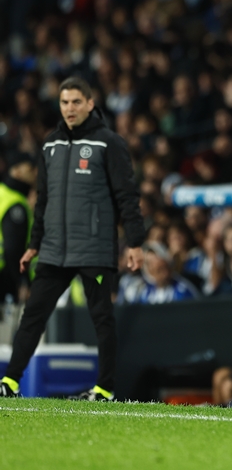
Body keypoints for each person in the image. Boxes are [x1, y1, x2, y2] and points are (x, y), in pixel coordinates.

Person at [0, 77, 145, 401]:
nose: (69, 108)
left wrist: (135, 243)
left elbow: (127, 196)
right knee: (33, 316)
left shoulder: (109, 143)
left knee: (101, 319)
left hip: (93, 246)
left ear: (90, 104)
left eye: (76, 102)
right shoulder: (50, 145)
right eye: (64, 102)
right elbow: (43, 201)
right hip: (53, 250)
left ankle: (105, 388)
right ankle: (9, 382)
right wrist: (34, 244)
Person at [0, 153, 37, 304]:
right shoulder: (16, 204)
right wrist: (22, 280)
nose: (35, 172)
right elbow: (13, 248)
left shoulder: (2, 192)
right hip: (5, 277)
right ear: (16, 171)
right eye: (30, 168)